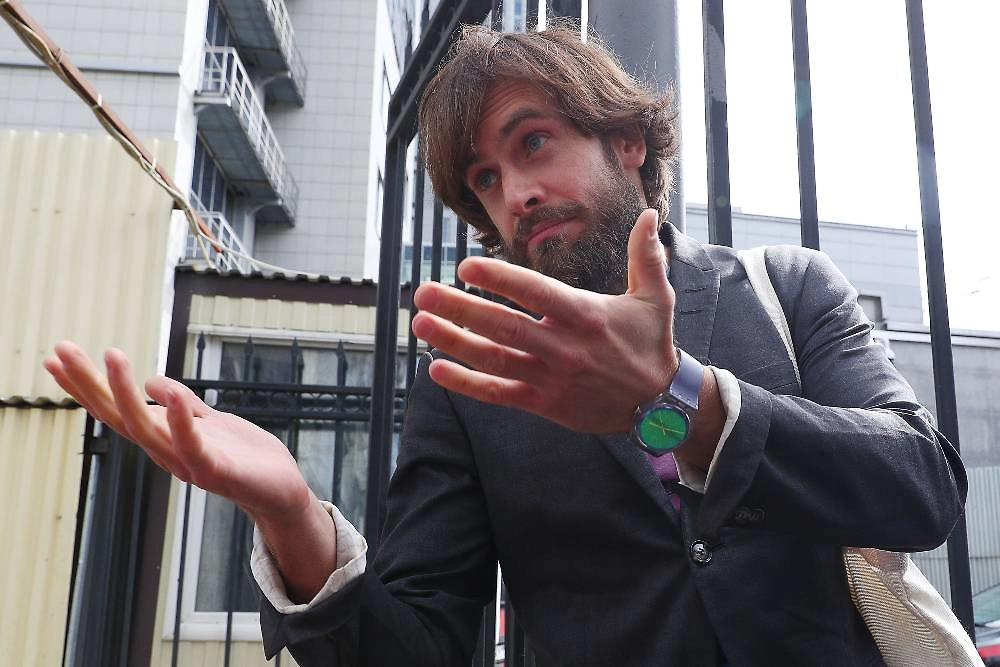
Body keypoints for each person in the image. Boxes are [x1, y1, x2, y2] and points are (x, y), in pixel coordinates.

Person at [45, 23, 967, 666]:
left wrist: (683, 399)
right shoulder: (466, 384)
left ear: (628, 142)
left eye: (534, 143)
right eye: (485, 179)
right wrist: (293, 519)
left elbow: (923, 486)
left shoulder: (786, 289)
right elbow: (419, 648)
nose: (514, 194)